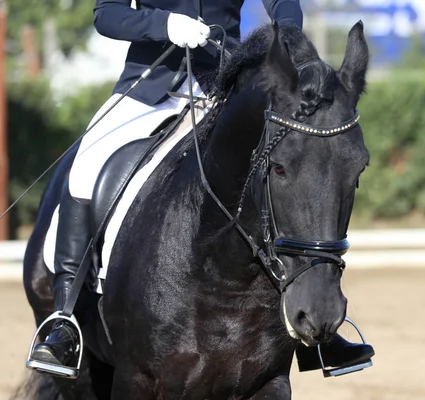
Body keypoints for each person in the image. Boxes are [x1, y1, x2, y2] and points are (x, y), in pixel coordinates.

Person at [29, 0, 374, 377]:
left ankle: (309, 331)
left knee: (289, 165)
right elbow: (107, 14)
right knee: (87, 164)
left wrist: (287, 38)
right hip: (150, 87)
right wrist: (164, 24)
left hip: (225, 86)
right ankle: (64, 320)